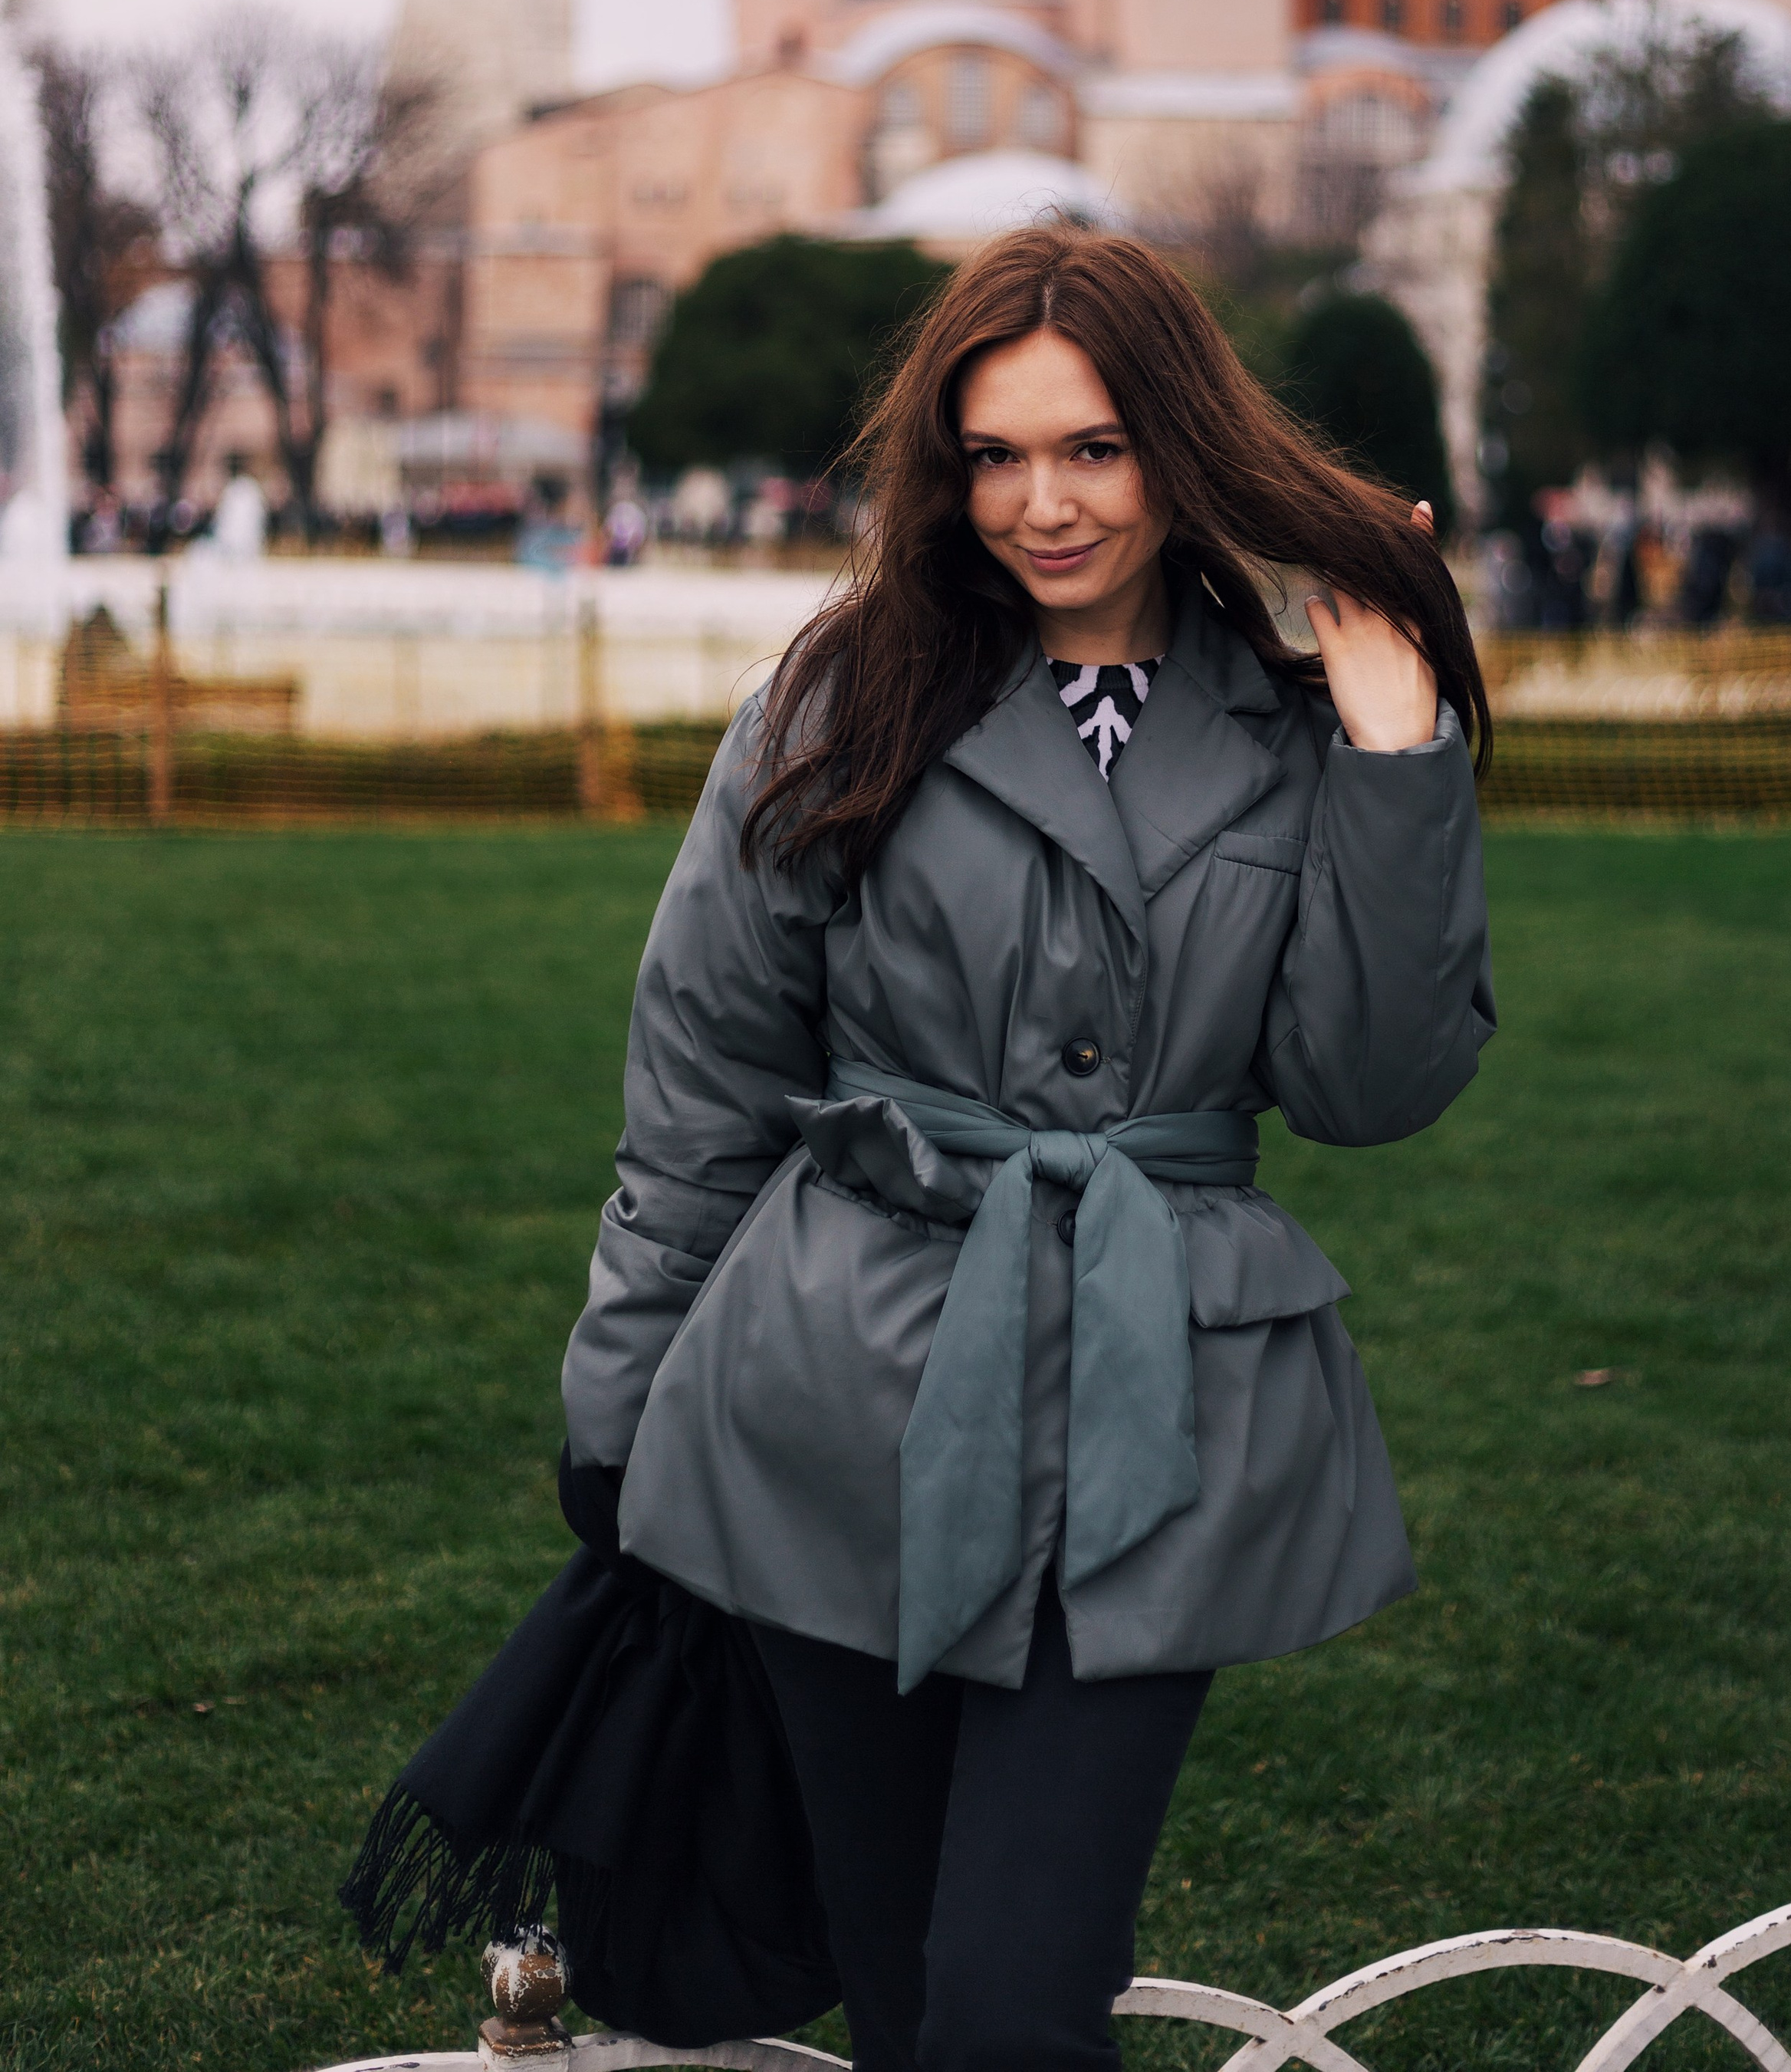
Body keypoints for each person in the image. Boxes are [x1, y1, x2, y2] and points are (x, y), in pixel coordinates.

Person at [561, 228, 1495, 2072]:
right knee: (910, 2002)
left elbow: (1369, 1084)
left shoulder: (1303, 733)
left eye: (1091, 448)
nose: (1040, 504)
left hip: (1155, 1421)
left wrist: (1395, 746)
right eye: (994, 455)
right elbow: (702, 1081)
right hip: (834, 1397)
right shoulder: (838, 701)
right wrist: (618, 1408)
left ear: (1178, 444)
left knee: (1007, 2000)